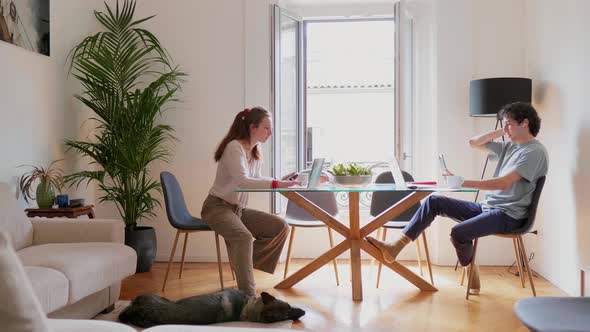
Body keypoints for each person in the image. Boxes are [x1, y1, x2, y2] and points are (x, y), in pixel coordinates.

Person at [367, 102, 548, 293]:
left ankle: (471, 272)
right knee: (433, 200)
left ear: (525, 123)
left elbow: (502, 183)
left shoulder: (534, 152)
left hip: (510, 216)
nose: (505, 129)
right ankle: (395, 247)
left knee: (459, 232)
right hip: (489, 208)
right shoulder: (510, 148)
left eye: (509, 123)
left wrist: (462, 182)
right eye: (503, 124)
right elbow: (473, 142)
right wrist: (503, 131)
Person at [201, 106, 300, 296]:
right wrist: (276, 184)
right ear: (252, 127)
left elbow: (256, 177)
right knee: (244, 238)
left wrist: (280, 180)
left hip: (237, 210)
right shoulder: (234, 147)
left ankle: (241, 260)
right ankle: (248, 296)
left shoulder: (254, 150)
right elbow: (243, 181)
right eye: (267, 128)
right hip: (216, 208)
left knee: (280, 226)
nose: (271, 133)